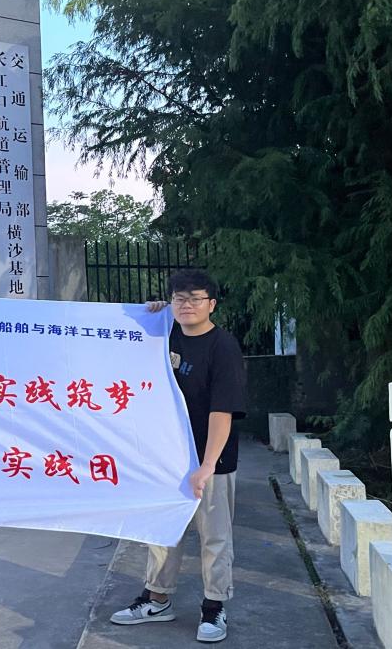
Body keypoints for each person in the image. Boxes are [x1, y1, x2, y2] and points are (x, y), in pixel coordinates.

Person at [109, 269, 246, 643]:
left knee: (214, 536)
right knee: (162, 530)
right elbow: (121, 340)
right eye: (179, 298)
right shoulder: (164, 334)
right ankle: (157, 599)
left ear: (211, 304)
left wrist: (207, 465)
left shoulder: (223, 347)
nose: (187, 305)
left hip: (211, 460)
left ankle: (214, 607)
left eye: (195, 298)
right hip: (166, 458)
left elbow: (223, 411)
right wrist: (150, 313)